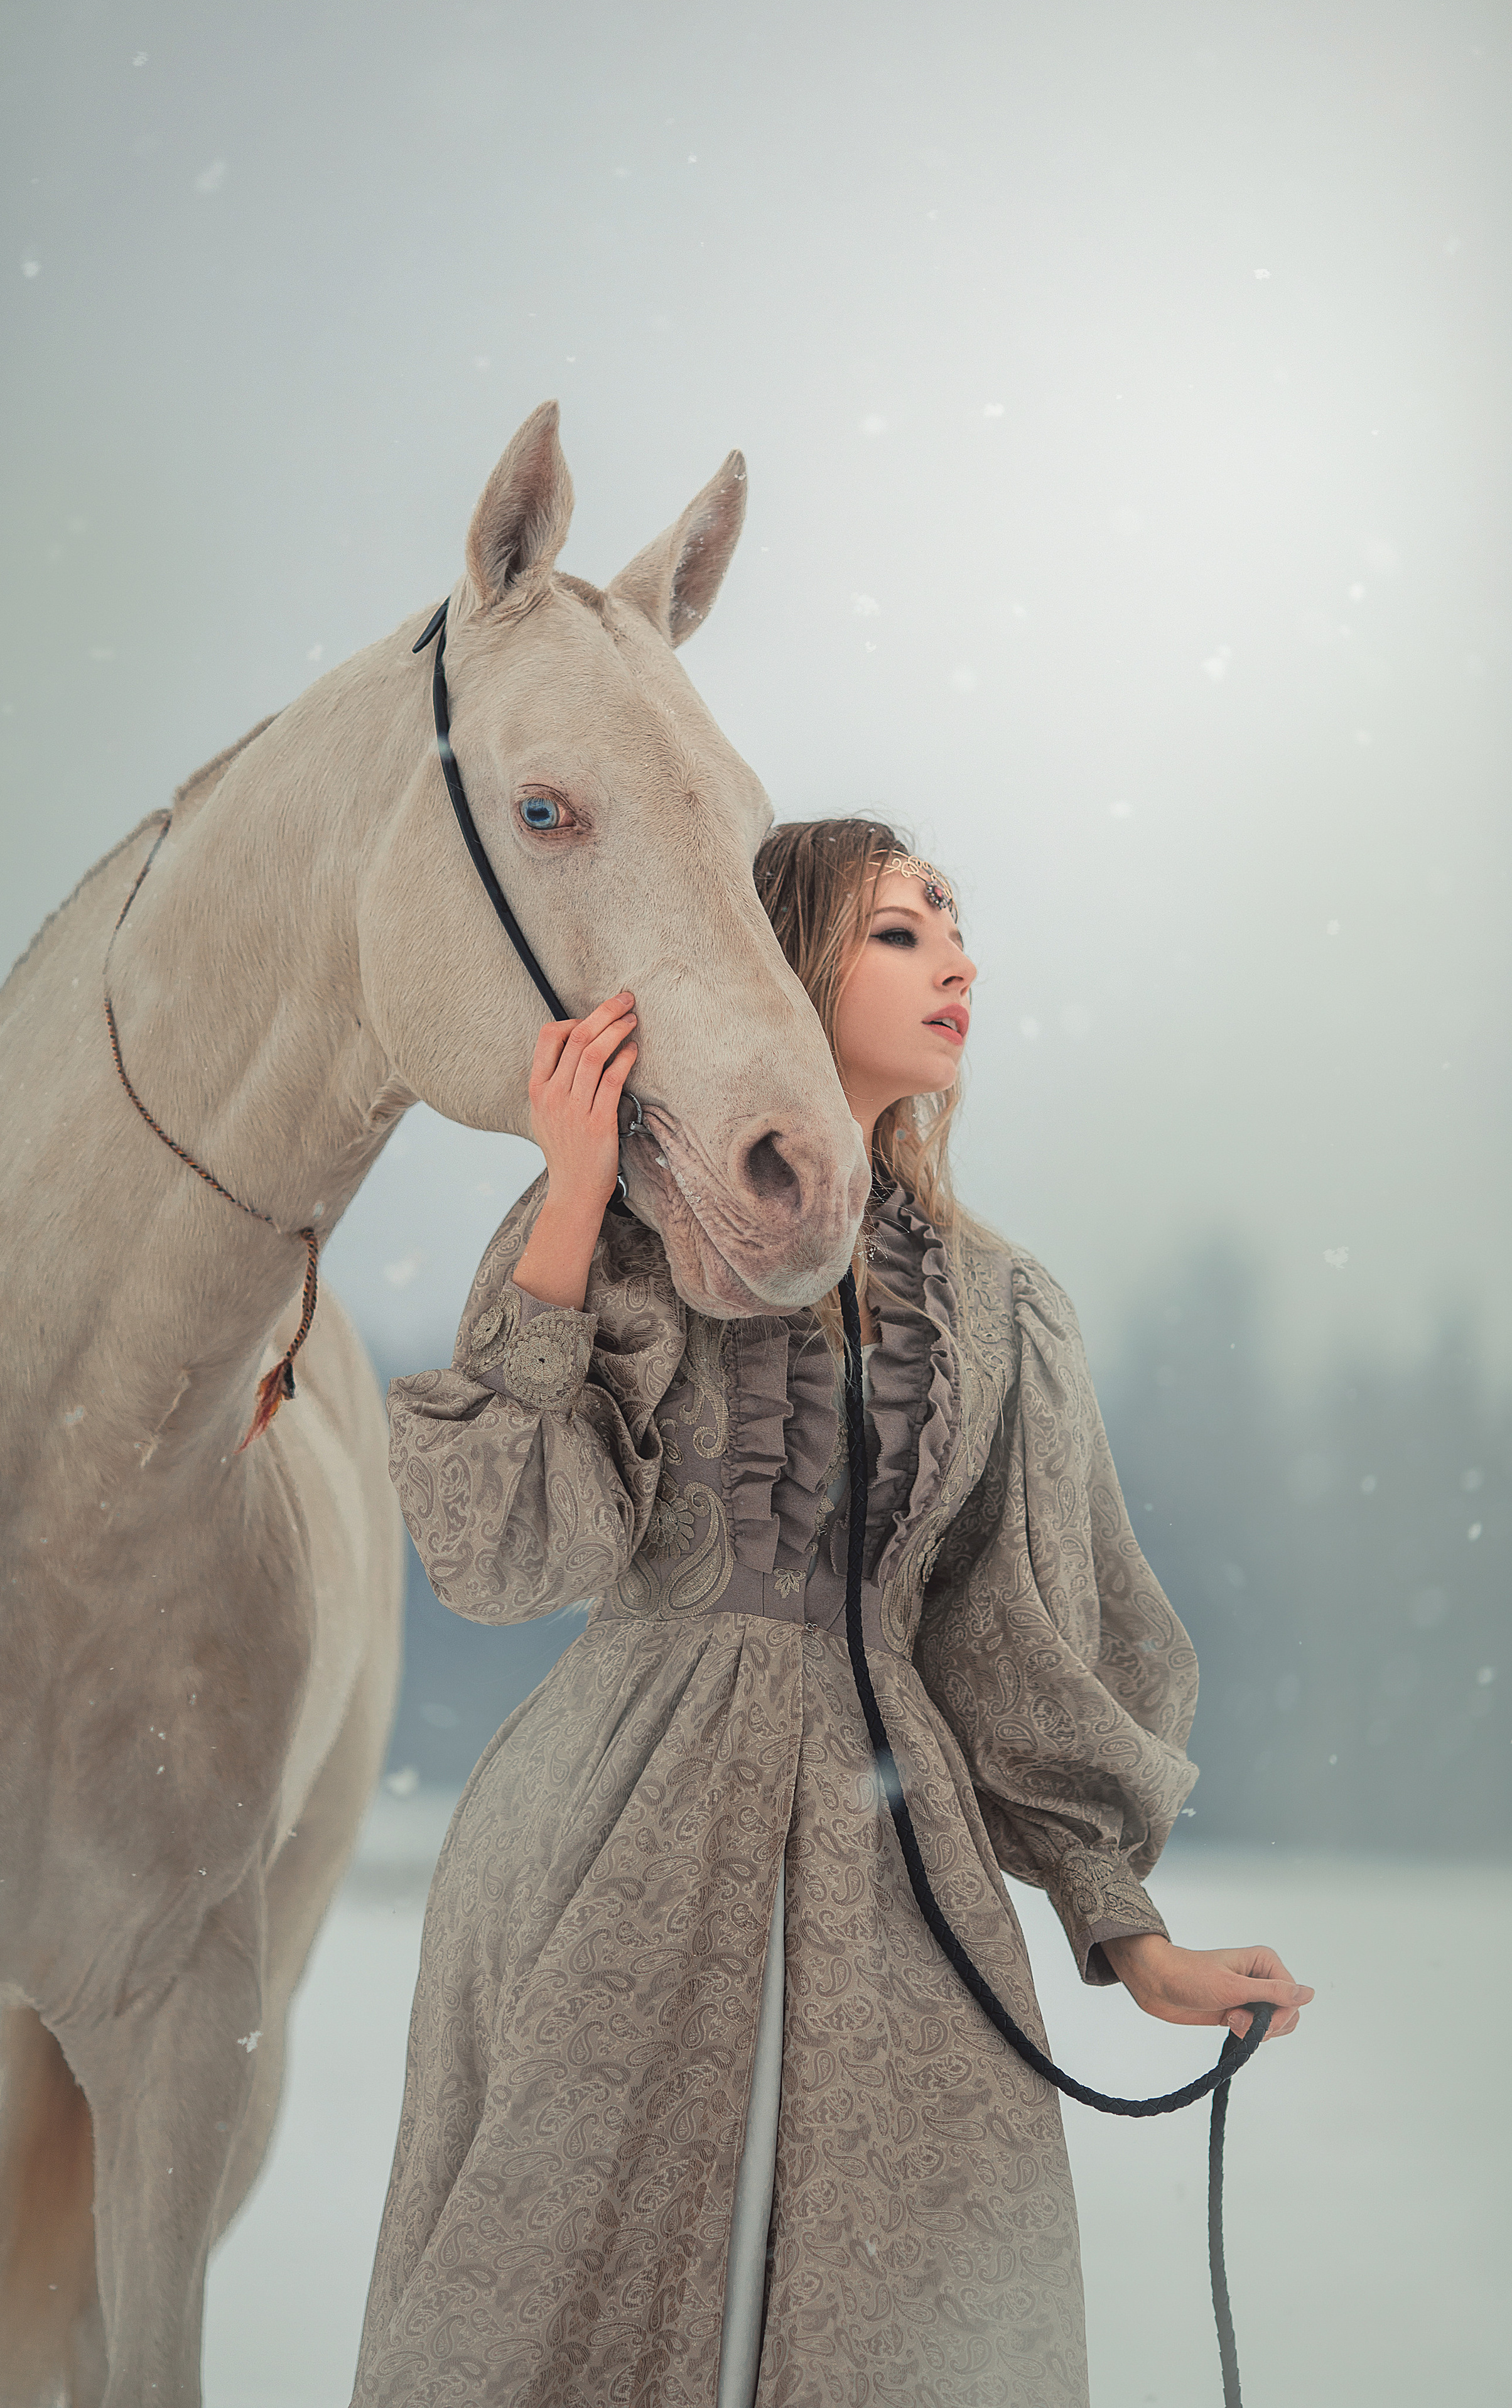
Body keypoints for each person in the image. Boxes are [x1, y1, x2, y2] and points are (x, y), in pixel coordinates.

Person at [350, 818, 1312, 2408]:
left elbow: (1015, 1651)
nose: (957, 962)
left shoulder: (1001, 1309)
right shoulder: (622, 1235)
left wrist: (1125, 1935)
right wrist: (577, 1198)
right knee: (557, 2320)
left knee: (917, 2318)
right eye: (897, 932)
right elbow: (503, 1558)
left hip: (897, 1878)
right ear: (789, 965)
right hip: (611, 1839)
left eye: (953, 927)